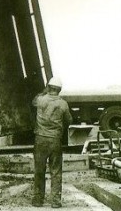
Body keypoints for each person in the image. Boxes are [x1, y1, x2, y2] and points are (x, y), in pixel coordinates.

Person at [32, 76, 72, 208]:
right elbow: (69, 121)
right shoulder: (63, 104)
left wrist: (44, 91)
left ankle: (38, 200)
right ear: (60, 90)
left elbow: (33, 102)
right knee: (55, 171)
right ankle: (55, 201)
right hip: (55, 140)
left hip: (40, 139)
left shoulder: (40, 100)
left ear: (48, 87)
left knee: (39, 170)